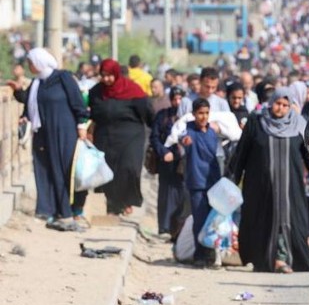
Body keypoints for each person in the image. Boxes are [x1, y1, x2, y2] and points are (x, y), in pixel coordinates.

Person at [229, 92, 309, 273]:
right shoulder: (256, 122)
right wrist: (232, 180)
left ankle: (282, 258)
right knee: (263, 221)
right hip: (260, 188)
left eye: (285, 105)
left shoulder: (299, 125)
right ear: (271, 103)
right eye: (278, 103)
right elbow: (241, 152)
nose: (280, 108)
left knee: (289, 221)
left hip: (291, 189)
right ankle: (265, 259)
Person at [10, 48, 88, 230]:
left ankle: (70, 212)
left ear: (39, 62)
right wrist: (17, 92)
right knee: (47, 170)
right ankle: (54, 211)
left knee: (65, 170)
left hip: (64, 132)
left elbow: (77, 101)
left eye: (31, 63)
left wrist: (81, 124)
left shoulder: (62, 78)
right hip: (43, 135)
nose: (29, 66)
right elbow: (30, 101)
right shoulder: (37, 83)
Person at [88, 58, 153, 216]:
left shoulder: (133, 90)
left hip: (131, 135)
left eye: (110, 75)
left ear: (117, 74)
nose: (106, 79)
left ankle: (126, 201)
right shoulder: (96, 92)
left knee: (129, 168)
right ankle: (113, 205)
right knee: (109, 171)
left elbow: (147, 113)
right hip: (106, 135)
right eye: (103, 75)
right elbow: (92, 113)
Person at [180, 98, 222, 268]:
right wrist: (186, 142)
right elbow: (185, 140)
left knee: (212, 221)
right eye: (200, 113)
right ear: (194, 114)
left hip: (212, 181)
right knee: (199, 220)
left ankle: (211, 254)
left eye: (206, 113)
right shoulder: (189, 131)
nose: (203, 117)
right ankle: (200, 255)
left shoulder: (212, 132)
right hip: (197, 182)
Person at [150, 87, 186, 238]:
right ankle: (164, 227)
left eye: (180, 99)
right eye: (174, 99)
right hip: (166, 161)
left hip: (183, 162)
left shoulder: (188, 117)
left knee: (182, 194)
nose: (177, 102)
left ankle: (178, 229)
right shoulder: (163, 116)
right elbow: (155, 137)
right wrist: (164, 152)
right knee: (165, 193)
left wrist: (178, 154)